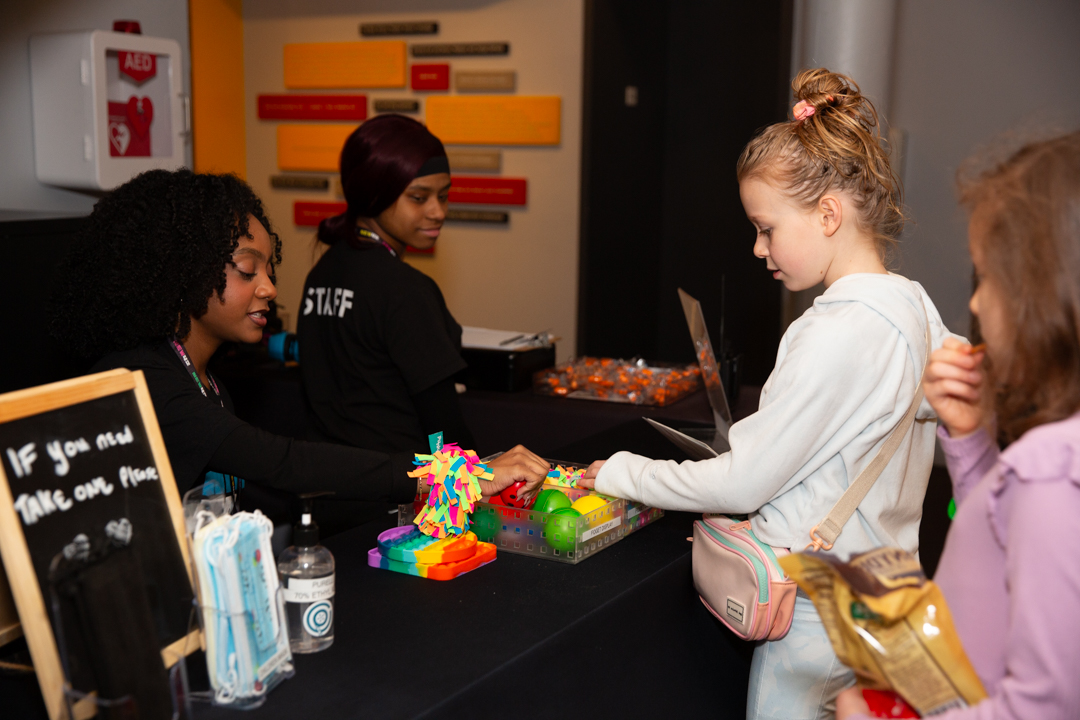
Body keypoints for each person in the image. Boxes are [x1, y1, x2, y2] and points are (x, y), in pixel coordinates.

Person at [578, 69, 959, 720]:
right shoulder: (917, 306)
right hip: (896, 599)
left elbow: (741, 485)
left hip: (813, 613)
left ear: (829, 214)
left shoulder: (827, 331)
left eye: (766, 228)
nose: (758, 249)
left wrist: (618, 473)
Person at [49, 169, 547, 519]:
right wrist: (451, 477)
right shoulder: (142, 381)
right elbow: (283, 462)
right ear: (183, 275)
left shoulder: (202, 378)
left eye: (270, 269)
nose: (268, 288)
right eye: (248, 270)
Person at [836, 132, 1080, 719]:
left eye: (987, 278)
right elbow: (1003, 537)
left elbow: (1044, 707)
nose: (975, 305)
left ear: (1039, 295)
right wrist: (971, 442)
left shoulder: (1051, 472)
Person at [298, 114, 475, 456]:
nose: (438, 211)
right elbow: (442, 429)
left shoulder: (322, 271)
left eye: (444, 195)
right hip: (396, 497)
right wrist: (471, 481)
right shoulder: (405, 289)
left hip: (328, 486)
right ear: (373, 192)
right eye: (419, 198)